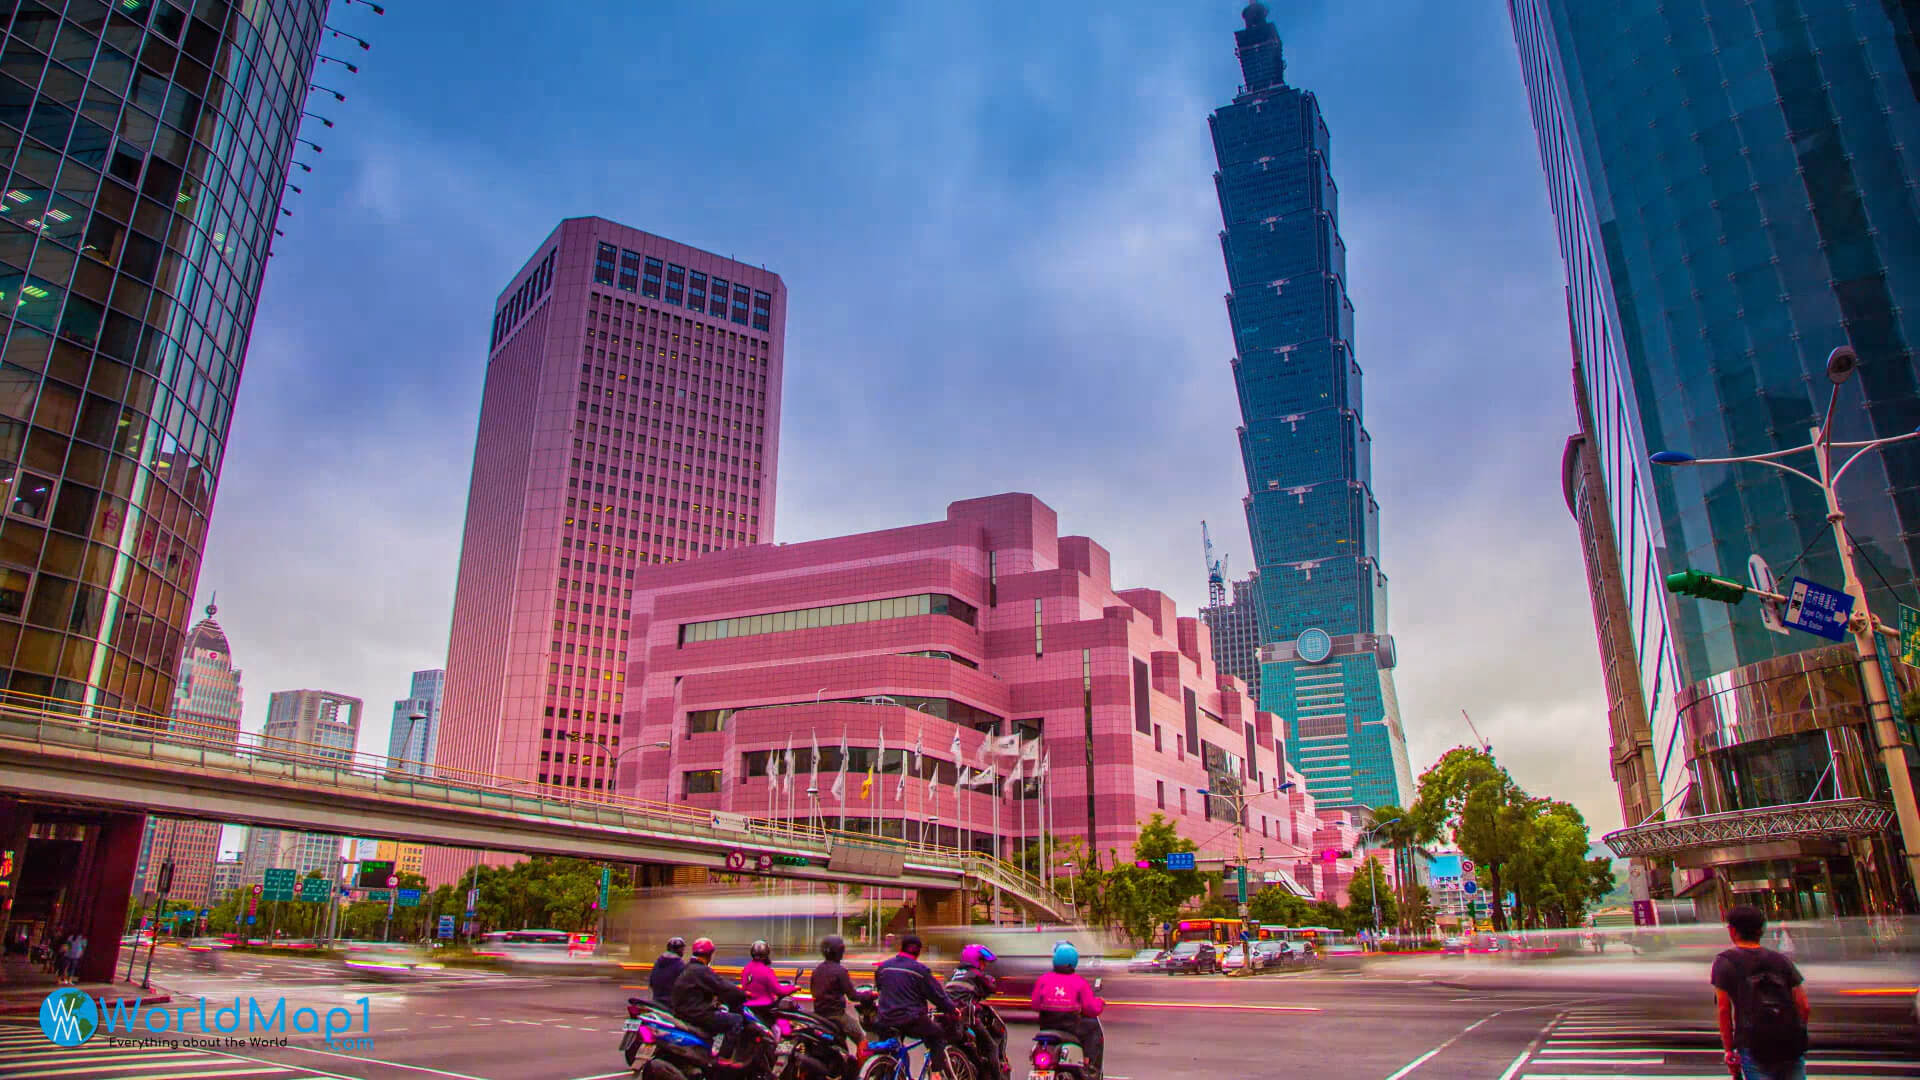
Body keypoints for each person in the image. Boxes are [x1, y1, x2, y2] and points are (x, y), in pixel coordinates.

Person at [1712, 905, 1809, 1080]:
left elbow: (1724, 1010)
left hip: (1753, 1044)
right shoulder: (1781, 960)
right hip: (1789, 1045)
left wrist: (1729, 1050)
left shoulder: (1725, 962)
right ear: (1761, 930)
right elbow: (1803, 1005)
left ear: (1732, 930)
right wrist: (1795, 1033)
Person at [874, 934, 960, 1079]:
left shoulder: (883, 967)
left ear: (901, 948)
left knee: (895, 1050)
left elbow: (880, 988)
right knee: (937, 1034)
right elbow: (937, 996)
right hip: (911, 1020)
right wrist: (952, 1009)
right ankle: (936, 1074)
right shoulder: (920, 971)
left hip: (884, 1018)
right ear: (918, 952)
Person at [670, 937, 751, 1060]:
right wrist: (743, 994)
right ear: (709, 955)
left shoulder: (689, 968)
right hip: (696, 1013)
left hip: (685, 1011)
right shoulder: (701, 970)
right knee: (736, 1020)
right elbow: (722, 986)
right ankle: (723, 1060)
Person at [1031, 941, 1105, 1074]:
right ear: (1074, 961)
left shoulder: (1043, 979)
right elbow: (1091, 1009)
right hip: (1071, 1028)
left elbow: (1035, 1004)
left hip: (1046, 1027)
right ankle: (1088, 1063)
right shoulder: (1079, 982)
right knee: (1093, 1027)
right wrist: (1100, 1003)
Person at [947, 943, 1009, 1078]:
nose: (984, 965)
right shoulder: (976, 974)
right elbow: (991, 986)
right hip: (966, 1017)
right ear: (975, 960)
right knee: (991, 1047)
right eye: (983, 961)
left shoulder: (954, 974)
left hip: (947, 1017)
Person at [740, 940, 797, 1014]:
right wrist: (794, 988)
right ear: (766, 954)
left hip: (749, 1007)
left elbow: (745, 987)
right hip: (765, 1007)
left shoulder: (746, 969)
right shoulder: (766, 971)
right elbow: (779, 991)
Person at [649, 937, 687, 1002]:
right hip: (672, 1004)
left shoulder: (658, 962)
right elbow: (684, 986)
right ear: (680, 950)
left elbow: (651, 982)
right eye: (682, 949)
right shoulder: (680, 964)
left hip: (656, 1001)